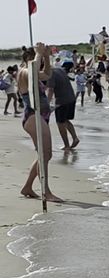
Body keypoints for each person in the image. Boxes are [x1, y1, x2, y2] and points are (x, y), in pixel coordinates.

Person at [18, 44, 62, 202]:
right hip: (32, 116)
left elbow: (47, 75)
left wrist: (47, 57)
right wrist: (38, 54)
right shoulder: (24, 72)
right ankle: (46, 191)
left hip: (42, 116)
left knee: (45, 154)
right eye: (38, 58)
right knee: (45, 154)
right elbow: (34, 71)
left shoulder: (35, 71)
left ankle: (28, 187)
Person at [49, 60, 80, 148]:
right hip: (71, 98)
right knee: (65, 120)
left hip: (62, 101)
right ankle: (75, 138)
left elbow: (50, 90)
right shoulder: (59, 70)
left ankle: (66, 145)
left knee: (60, 122)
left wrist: (47, 104)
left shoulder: (50, 74)